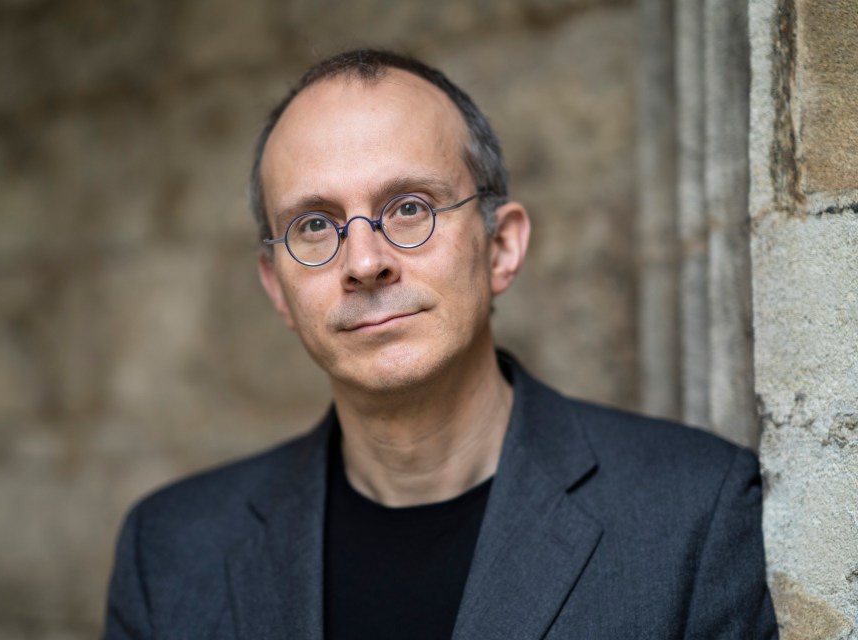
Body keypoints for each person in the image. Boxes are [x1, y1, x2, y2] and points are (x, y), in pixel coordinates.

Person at [104, 49, 777, 639]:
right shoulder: (169, 550)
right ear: (277, 287)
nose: (364, 263)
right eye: (315, 223)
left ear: (501, 248)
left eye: (409, 208)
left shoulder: (695, 513)